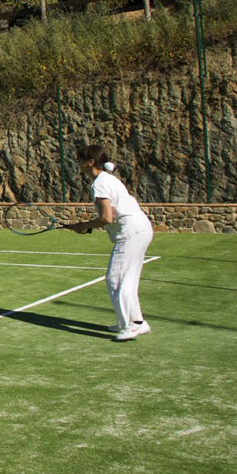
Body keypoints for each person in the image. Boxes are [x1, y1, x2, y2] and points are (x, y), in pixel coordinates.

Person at [65, 145, 153, 341]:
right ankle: (128, 322)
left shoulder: (100, 184)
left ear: (90, 163)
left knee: (116, 279)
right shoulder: (108, 179)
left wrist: (84, 225)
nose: (78, 163)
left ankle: (135, 324)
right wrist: (86, 226)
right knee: (126, 279)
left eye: (80, 160)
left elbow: (106, 218)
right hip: (140, 228)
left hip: (131, 232)